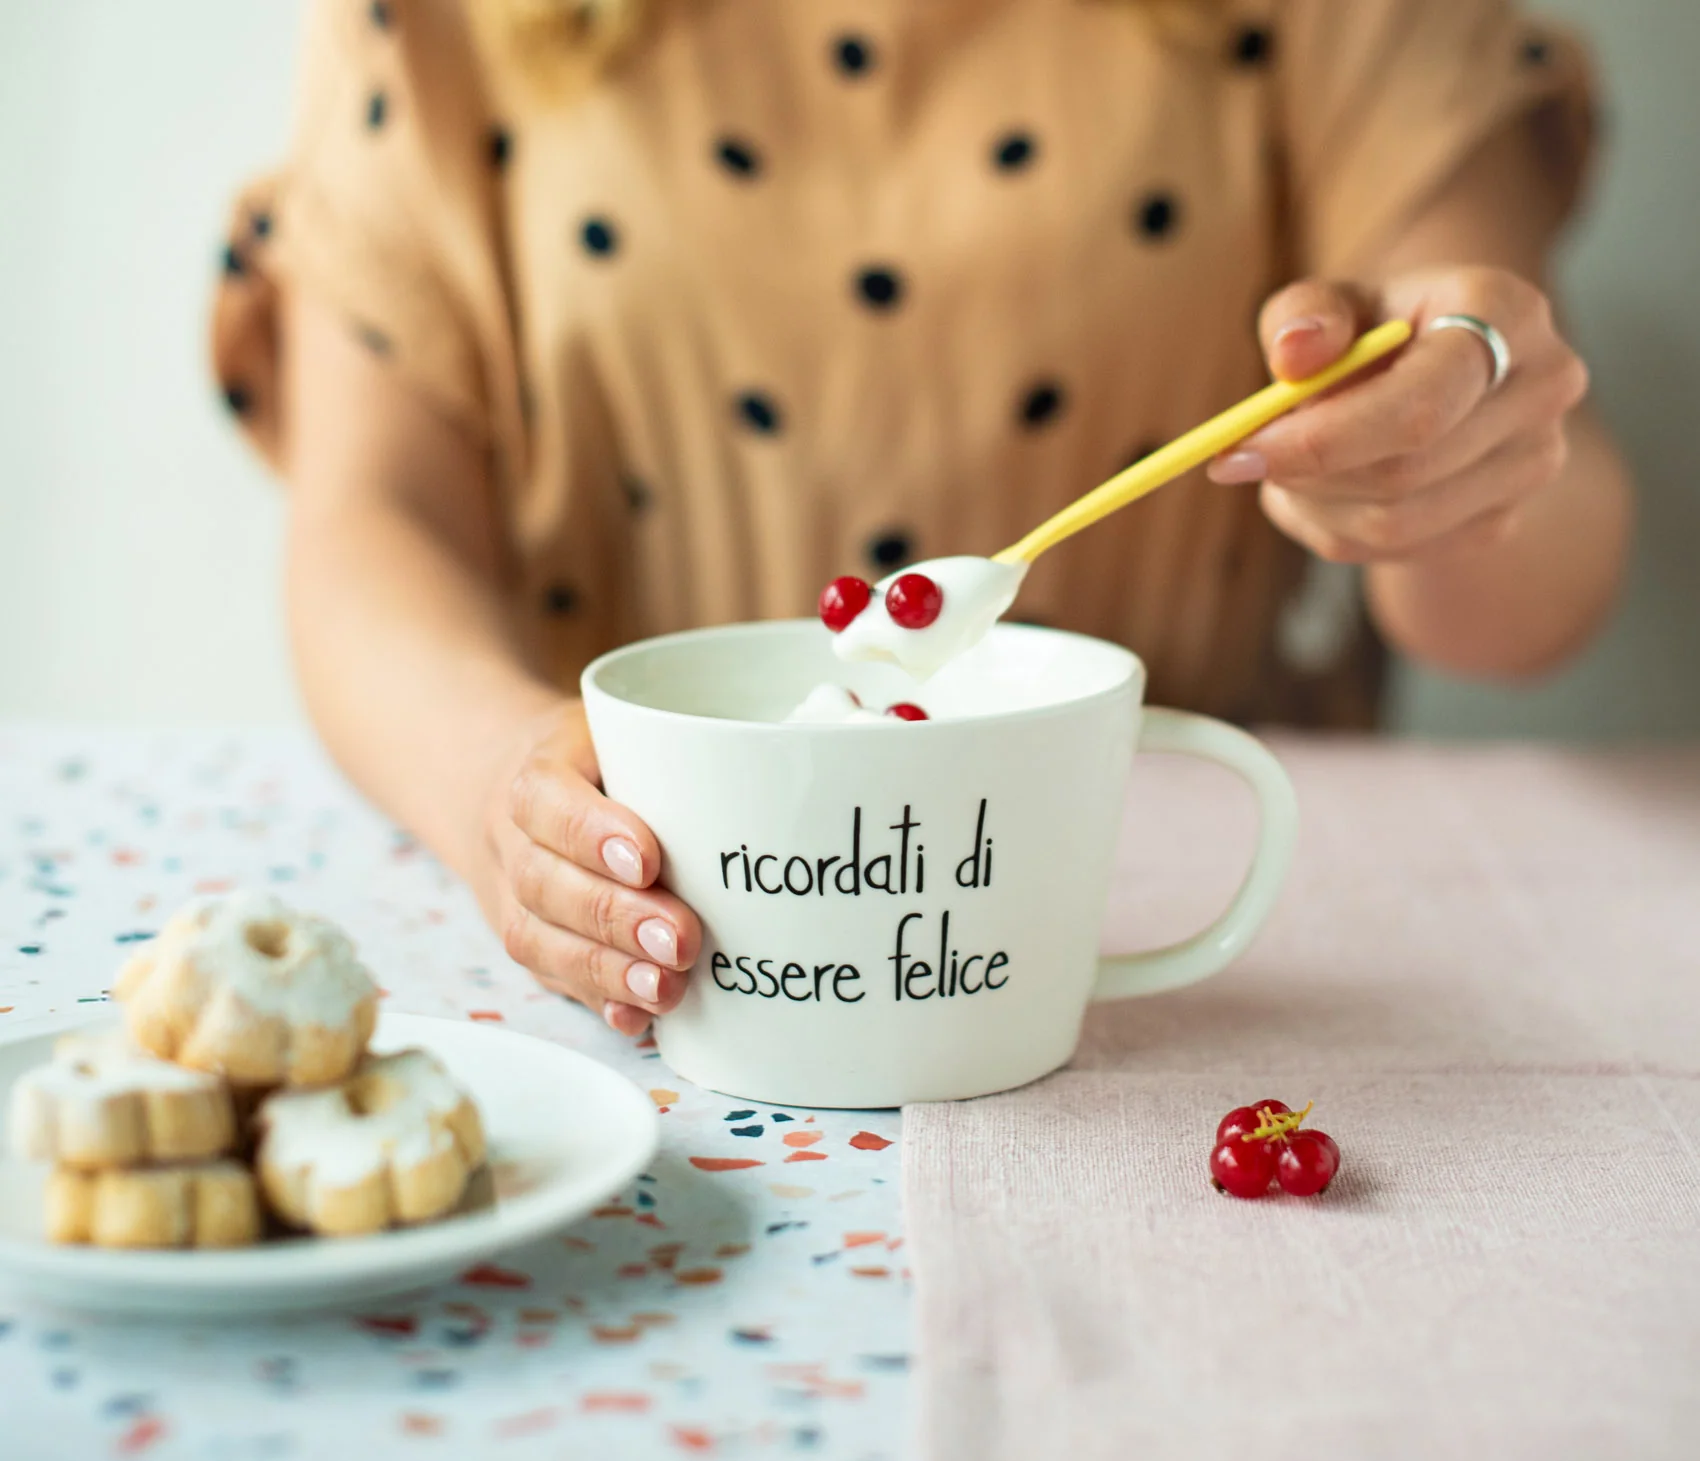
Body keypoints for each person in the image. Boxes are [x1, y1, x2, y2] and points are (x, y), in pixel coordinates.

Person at [212, 0, 1632, 1034]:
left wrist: (1456, 458)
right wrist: (497, 788)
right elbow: (372, 515)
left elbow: (1520, 609)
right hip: (664, 958)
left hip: (1186, 948)